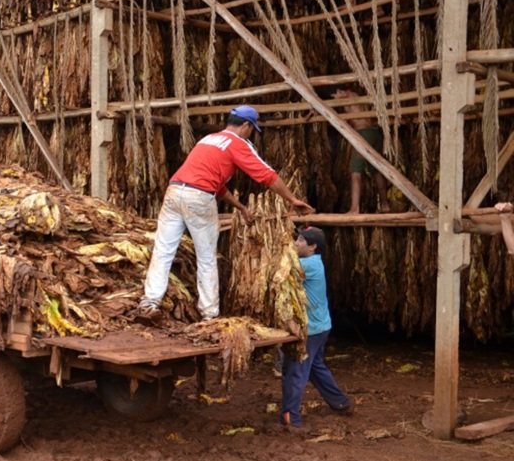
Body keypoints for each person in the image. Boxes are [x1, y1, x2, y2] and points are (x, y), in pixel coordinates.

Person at [138, 105, 315, 321]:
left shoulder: (209, 139)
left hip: (174, 192)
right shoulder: (238, 143)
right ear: (246, 125)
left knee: (163, 250)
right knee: (206, 258)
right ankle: (209, 314)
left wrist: (239, 206)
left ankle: (149, 302)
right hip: (199, 197)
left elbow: (217, 184)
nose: (251, 133)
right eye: (252, 129)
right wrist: (292, 199)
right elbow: (266, 175)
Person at [280, 226, 353, 432]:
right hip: (321, 326)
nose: (296, 243)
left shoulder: (307, 264)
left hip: (310, 329)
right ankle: (340, 402)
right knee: (314, 367)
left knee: (295, 370)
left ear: (312, 247)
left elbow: (279, 270)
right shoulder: (313, 262)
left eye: (301, 240)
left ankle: (290, 417)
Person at [335, 87, 390, 214]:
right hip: (374, 134)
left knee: (356, 172)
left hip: (364, 134)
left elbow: (345, 95)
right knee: (376, 171)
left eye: (338, 91)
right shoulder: (359, 99)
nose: (336, 95)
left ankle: (355, 208)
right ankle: (385, 204)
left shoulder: (349, 95)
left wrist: (340, 96)